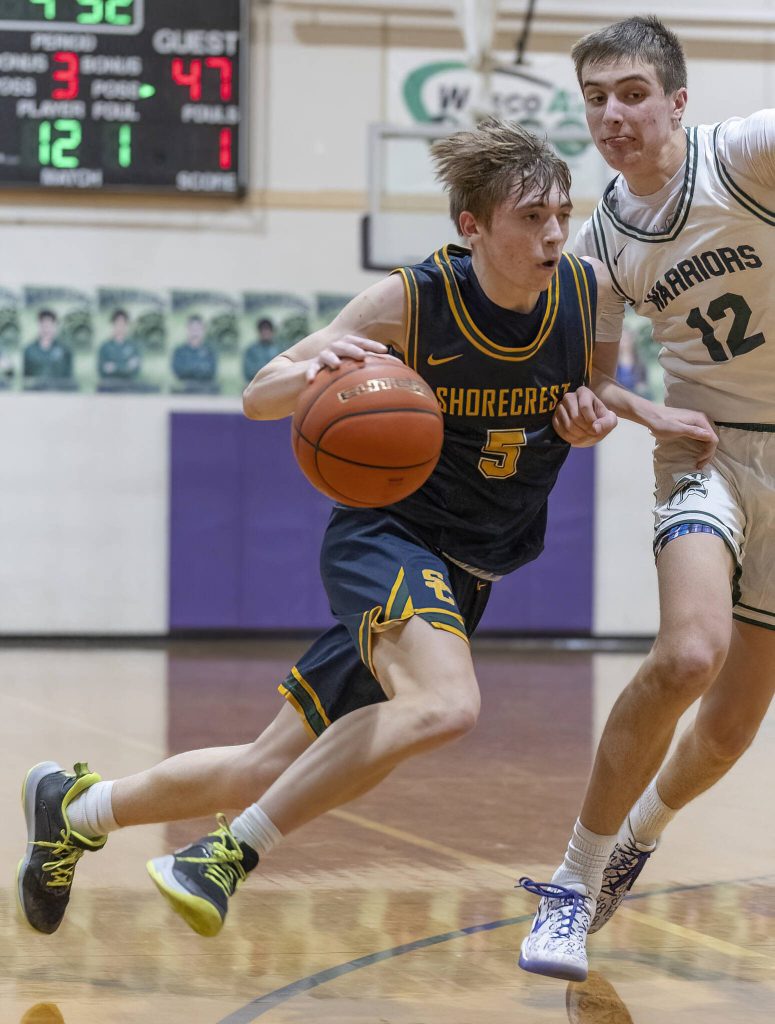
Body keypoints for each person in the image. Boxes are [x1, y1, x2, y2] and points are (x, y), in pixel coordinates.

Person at [16, 118, 713, 940]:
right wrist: (308, 369)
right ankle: (225, 856)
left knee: (265, 763)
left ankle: (75, 808)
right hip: (387, 542)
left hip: (469, 569)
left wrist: (619, 414)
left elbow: (595, 385)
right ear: (472, 226)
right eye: (530, 217)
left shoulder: (586, 289)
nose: (554, 231)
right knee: (447, 704)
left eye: (560, 211)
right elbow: (258, 394)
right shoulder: (410, 300)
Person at [519, 15, 775, 983]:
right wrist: (600, 413)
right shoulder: (597, 244)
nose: (612, 115)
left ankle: (639, 833)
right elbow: (598, 382)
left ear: (676, 100)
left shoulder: (743, 156)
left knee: (730, 730)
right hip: (700, 447)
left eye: (631, 93)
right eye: (594, 99)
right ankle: (571, 886)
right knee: (687, 655)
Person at [23, 309, 73, 388]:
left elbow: (69, 380)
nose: (46, 329)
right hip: (34, 395)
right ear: (38, 326)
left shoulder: (65, 351)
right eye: (43, 325)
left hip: (59, 396)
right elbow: (25, 380)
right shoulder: (29, 350)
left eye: (49, 325)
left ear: (55, 326)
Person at [171, 314, 218, 392]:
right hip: (183, 392)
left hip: (205, 392)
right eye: (192, 328)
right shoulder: (179, 351)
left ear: (203, 330)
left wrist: (190, 369)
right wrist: (200, 369)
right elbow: (178, 372)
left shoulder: (210, 351)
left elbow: (211, 372)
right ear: (187, 330)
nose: (195, 332)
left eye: (198, 329)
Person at [97, 308, 142, 388]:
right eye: (117, 323)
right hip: (109, 388)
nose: (120, 327)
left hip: (129, 388)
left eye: (123, 323)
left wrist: (114, 367)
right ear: (113, 325)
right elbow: (102, 371)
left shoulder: (134, 347)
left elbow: (135, 370)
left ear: (127, 325)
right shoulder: (105, 347)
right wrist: (126, 366)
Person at [242, 317, 281, 381]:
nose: (265, 332)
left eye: (268, 329)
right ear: (259, 331)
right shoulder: (251, 350)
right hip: (256, 383)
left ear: (272, 331)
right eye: (262, 329)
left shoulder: (279, 348)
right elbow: (248, 372)